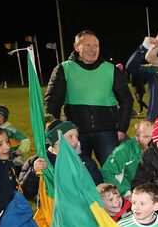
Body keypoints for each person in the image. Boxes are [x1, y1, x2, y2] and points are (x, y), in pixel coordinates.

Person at [44, 30, 133, 165]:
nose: (92, 50)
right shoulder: (63, 69)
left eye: (96, 45)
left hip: (107, 132)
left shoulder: (111, 69)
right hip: (74, 133)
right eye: (87, 45)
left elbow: (126, 100)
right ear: (76, 47)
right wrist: (51, 130)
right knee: (77, 171)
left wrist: (122, 129)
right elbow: (52, 102)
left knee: (113, 171)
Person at [19, 120, 103, 201]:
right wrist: (34, 173)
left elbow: (99, 191)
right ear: (56, 140)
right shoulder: (37, 161)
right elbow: (24, 194)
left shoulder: (85, 162)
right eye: (70, 136)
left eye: (77, 136)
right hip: (50, 212)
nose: (76, 141)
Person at [100, 120, 154, 198]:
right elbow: (106, 173)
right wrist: (126, 193)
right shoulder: (123, 151)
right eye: (146, 137)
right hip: (126, 195)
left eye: (154, 136)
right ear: (137, 138)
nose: (151, 141)